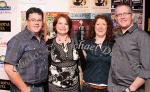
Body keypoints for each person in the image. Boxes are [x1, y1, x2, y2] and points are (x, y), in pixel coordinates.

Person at [4, 7, 48, 92]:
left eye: (39, 20)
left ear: (42, 22)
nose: (36, 23)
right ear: (27, 21)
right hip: (25, 88)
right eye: (33, 20)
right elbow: (9, 68)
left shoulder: (42, 40)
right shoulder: (18, 40)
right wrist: (25, 89)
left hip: (41, 87)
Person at [108, 3, 150, 92]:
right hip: (114, 88)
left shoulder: (142, 37)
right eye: (119, 14)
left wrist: (130, 89)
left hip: (132, 89)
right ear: (116, 18)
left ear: (132, 15)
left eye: (125, 13)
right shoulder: (116, 36)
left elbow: (147, 69)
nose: (122, 17)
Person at [46, 14, 81, 92]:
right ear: (55, 26)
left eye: (66, 24)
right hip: (54, 87)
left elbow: (82, 64)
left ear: (69, 27)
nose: (63, 26)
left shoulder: (76, 42)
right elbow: (45, 65)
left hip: (74, 88)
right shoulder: (49, 43)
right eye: (60, 23)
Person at [81, 15, 114, 92]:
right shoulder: (85, 44)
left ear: (107, 27)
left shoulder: (114, 44)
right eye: (98, 24)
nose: (100, 27)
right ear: (94, 26)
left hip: (108, 89)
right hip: (88, 88)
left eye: (103, 24)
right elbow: (82, 66)